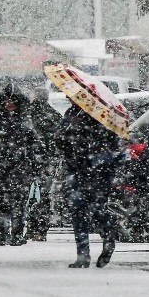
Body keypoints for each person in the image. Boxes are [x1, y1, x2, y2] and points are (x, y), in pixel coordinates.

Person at [55, 102, 123, 268]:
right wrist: (63, 135)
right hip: (76, 169)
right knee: (77, 210)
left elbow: (112, 143)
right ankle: (83, 254)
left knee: (98, 209)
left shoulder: (104, 114)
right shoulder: (71, 113)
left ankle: (108, 239)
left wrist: (88, 136)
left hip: (99, 171)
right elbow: (62, 142)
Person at [0, 86, 42, 246]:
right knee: (1, 202)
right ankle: (3, 233)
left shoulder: (21, 119)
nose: (10, 103)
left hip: (17, 167)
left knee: (17, 201)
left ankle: (16, 234)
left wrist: (35, 163)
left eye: (13, 100)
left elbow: (34, 143)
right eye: (7, 100)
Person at [25, 86, 63, 241]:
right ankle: (40, 229)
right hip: (49, 160)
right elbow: (61, 138)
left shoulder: (27, 114)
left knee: (28, 194)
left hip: (28, 160)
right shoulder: (54, 115)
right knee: (44, 194)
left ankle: (29, 226)